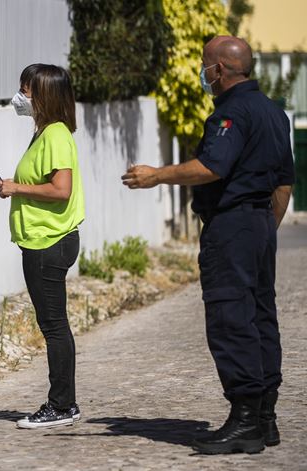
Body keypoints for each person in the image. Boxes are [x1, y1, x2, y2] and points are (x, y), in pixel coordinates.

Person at [122, 36, 294, 454]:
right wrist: (265, 228)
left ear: (219, 70)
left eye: (205, 65)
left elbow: (210, 167)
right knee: (259, 316)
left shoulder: (231, 114)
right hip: (259, 225)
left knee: (231, 318)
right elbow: (284, 182)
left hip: (232, 226)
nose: (202, 72)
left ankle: (245, 421)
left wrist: (156, 176)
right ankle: (265, 417)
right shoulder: (274, 112)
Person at [0, 64, 85, 429]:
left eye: (27, 89)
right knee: (53, 323)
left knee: (53, 325)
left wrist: (17, 188)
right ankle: (64, 403)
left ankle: (62, 405)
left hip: (50, 242)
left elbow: (60, 189)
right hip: (40, 240)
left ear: (43, 94)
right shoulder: (45, 133)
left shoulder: (56, 136)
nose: (21, 96)